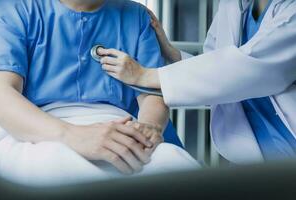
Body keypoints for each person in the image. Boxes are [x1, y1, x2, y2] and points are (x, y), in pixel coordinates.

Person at [0, 0, 198, 186]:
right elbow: (2, 94)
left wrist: (148, 129)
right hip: (38, 127)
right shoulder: (16, 10)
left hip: (121, 125)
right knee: (52, 168)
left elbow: (152, 93)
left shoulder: (136, 16)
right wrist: (75, 136)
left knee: (172, 162)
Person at [97, 0, 296, 163]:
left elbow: (248, 69)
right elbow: (216, 75)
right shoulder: (234, 5)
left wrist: (145, 75)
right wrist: (172, 53)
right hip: (258, 151)